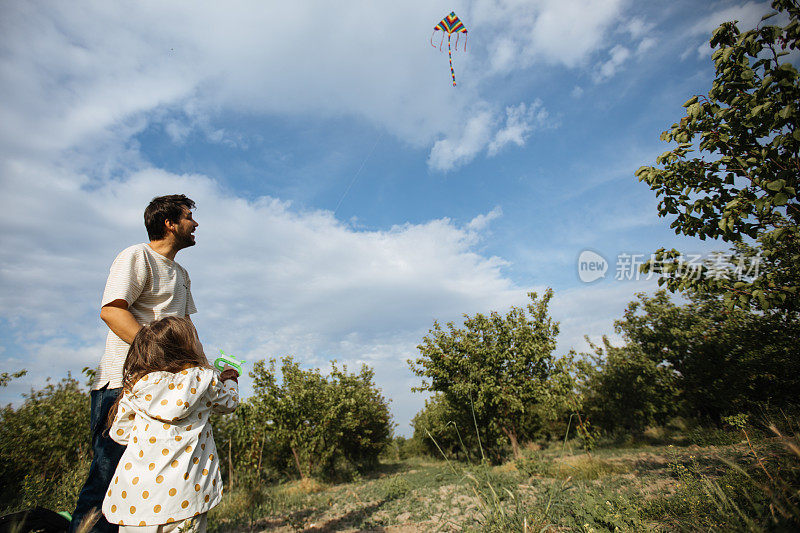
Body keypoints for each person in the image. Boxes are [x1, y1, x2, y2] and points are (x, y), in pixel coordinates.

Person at [71, 195, 200, 533]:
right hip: (122, 387)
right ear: (169, 223)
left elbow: (186, 330)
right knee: (106, 480)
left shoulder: (182, 274)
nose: (196, 223)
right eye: (189, 217)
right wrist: (156, 354)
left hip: (162, 392)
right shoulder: (136, 256)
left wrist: (203, 370)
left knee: (141, 488)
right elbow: (112, 311)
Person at [102, 316, 239, 533]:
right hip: (186, 499)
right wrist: (231, 379)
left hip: (136, 502)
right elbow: (230, 403)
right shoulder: (204, 380)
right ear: (187, 349)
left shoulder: (137, 387)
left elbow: (120, 434)